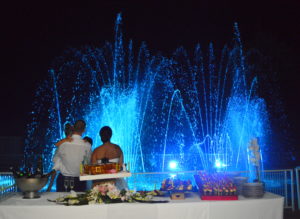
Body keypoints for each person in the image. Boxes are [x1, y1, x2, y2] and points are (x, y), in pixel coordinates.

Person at [53, 120, 92, 192]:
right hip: (79, 181)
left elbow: (55, 160)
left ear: (73, 127)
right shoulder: (87, 145)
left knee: (60, 202)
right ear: (84, 130)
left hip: (64, 180)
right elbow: (88, 163)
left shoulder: (63, 144)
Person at [46, 123, 73, 192]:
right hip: (76, 178)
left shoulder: (61, 146)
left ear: (64, 132)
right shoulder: (79, 145)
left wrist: (50, 186)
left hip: (63, 179)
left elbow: (55, 167)